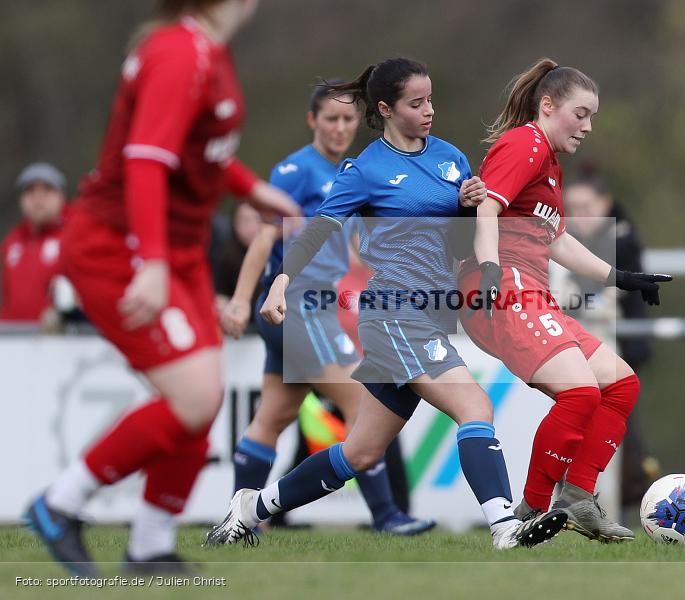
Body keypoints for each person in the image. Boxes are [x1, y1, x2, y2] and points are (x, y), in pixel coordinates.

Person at [205, 57, 568, 550]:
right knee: (475, 405)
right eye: (416, 103)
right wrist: (282, 281)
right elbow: (319, 229)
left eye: (431, 100)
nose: (429, 111)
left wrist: (467, 206)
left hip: (429, 317)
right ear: (386, 108)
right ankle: (505, 528)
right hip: (395, 315)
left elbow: (461, 242)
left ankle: (249, 507)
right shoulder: (366, 170)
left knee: (359, 451)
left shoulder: (450, 158)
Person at [23, 0, 299, 576]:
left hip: (175, 251)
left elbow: (197, 154)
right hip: (119, 247)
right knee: (195, 398)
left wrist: (250, 187)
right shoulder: (179, 52)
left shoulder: (205, 50)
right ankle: (59, 504)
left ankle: (148, 546)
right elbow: (145, 161)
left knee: (205, 401)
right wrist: (149, 262)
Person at [458, 58, 671, 542]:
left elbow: (556, 240)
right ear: (549, 105)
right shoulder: (525, 142)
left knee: (621, 385)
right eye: (581, 113)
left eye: (592, 116)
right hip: (503, 289)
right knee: (579, 392)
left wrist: (621, 276)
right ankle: (530, 509)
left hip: (533, 293)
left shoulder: (549, 163)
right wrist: (490, 271)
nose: (588, 126)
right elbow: (487, 209)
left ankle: (577, 495)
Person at [218, 82, 433, 535]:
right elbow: (263, 237)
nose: (340, 128)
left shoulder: (356, 171)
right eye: (331, 119)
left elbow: (350, 246)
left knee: (272, 416)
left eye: (348, 120)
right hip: (295, 305)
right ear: (312, 121)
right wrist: (240, 301)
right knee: (363, 403)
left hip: (320, 306)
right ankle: (387, 516)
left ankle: (241, 520)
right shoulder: (294, 170)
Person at [563, 170, 661, 506]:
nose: (578, 216)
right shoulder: (557, 239)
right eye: (571, 207)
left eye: (586, 206)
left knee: (620, 436)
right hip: (570, 351)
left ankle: (620, 501)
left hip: (614, 351)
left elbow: (603, 299)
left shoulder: (621, 240)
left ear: (605, 205)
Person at [1, 163, 69, 327]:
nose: (37, 199)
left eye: (46, 191)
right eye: (30, 191)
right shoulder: (12, 241)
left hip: (63, 341)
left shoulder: (74, 237)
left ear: (61, 196)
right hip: (13, 339)